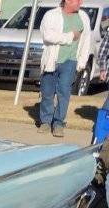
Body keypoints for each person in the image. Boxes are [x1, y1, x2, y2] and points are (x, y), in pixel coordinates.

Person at [37, 0, 91, 137]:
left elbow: (86, 40)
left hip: (70, 61)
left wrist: (82, 61)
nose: (80, 2)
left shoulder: (83, 17)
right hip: (51, 60)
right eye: (77, 0)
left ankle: (58, 123)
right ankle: (45, 121)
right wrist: (70, 36)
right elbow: (47, 36)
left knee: (64, 93)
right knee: (47, 92)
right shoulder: (51, 15)